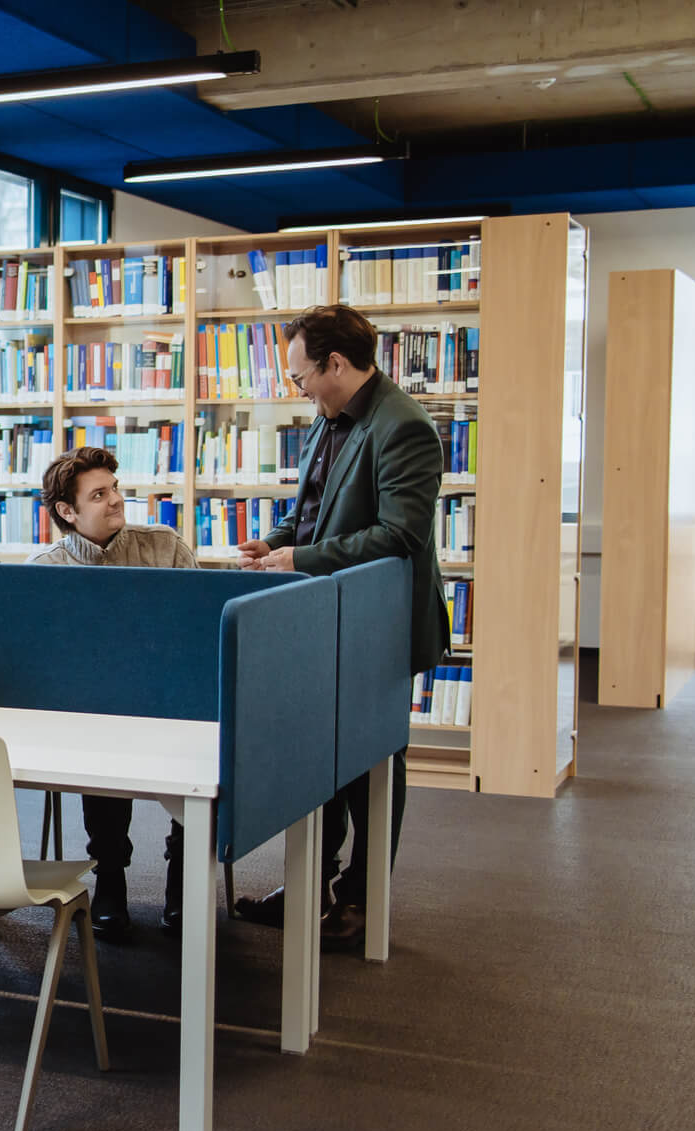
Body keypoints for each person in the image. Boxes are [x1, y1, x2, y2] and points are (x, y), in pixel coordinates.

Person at [235, 303, 449, 951]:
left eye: (302, 377)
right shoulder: (327, 420)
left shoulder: (403, 426)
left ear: (336, 363)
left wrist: (298, 558)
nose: (298, 389)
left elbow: (399, 535)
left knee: (374, 762)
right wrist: (270, 543)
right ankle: (308, 890)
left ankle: (359, 902)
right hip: (321, 618)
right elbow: (314, 513)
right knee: (318, 757)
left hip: (375, 623)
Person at [29, 445, 197, 940]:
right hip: (92, 710)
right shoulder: (45, 567)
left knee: (197, 744)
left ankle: (184, 876)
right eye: (99, 495)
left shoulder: (164, 546)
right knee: (96, 733)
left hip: (171, 704)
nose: (116, 501)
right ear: (67, 511)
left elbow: (197, 632)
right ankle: (109, 874)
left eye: (116, 489)